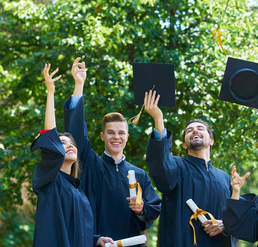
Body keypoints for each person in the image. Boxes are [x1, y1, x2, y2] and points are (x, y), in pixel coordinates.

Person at [63, 58, 161, 244]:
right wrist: (79, 85)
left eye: (121, 133)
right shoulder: (90, 164)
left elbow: (154, 208)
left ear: (127, 137)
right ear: (102, 136)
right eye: (111, 133)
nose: (116, 137)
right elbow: (76, 133)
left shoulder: (140, 175)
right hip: (96, 243)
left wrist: (141, 210)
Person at [30, 63, 114, 247]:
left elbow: (76, 231)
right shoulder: (50, 181)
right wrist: (50, 92)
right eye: (62, 143)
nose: (70, 146)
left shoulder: (78, 191)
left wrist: (96, 240)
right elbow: (50, 135)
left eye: (72, 144)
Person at [144, 90, 235, 246]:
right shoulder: (177, 166)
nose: (195, 131)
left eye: (200, 128)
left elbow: (236, 220)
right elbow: (160, 165)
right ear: (185, 144)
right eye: (189, 130)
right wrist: (158, 118)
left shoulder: (226, 179)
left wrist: (225, 225)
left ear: (211, 140)